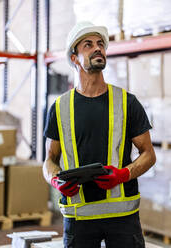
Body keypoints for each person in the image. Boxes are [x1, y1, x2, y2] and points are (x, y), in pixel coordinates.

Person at [43, 21, 156, 248]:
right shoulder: (60, 107)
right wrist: (56, 181)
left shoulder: (127, 102)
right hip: (79, 218)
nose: (98, 48)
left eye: (100, 44)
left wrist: (122, 175)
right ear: (74, 58)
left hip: (122, 217)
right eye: (88, 45)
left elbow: (149, 155)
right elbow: (50, 160)